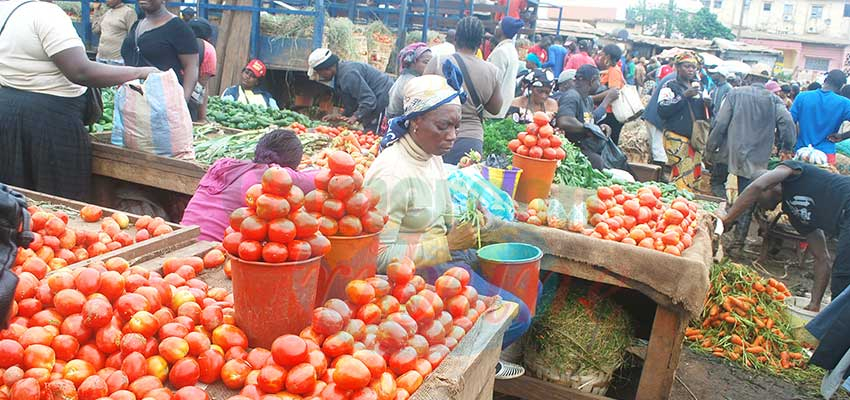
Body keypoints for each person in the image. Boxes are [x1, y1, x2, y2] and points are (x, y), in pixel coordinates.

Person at [364, 66, 531, 378]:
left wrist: (467, 217)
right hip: (412, 279)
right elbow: (377, 257)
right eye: (444, 126)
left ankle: (473, 359)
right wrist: (447, 244)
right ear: (415, 122)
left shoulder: (431, 156)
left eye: (456, 125)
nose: (453, 136)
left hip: (444, 258)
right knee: (517, 316)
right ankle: (454, 368)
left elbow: (438, 212)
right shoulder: (391, 174)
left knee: (522, 288)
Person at [0, 0, 157, 201]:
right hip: (50, 125)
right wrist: (141, 71)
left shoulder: (5, 10)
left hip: (8, 116)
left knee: (15, 202)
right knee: (59, 205)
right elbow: (80, 71)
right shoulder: (45, 14)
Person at [719, 161, 850, 311]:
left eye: (756, 199)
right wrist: (814, 304)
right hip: (844, 222)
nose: (759, 205)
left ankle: (838, 328)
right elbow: (822, 258)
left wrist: (727, 219)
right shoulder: (793, 212)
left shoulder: (791, 170)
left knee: (843, 276)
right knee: (842, 276)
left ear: (767, 187)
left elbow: (756, 187)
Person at [181, 129, 317, 242]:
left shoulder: (222, 164)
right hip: (212, 251)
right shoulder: (273, 176)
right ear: (292, 165)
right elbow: (318, 178)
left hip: (180, 238)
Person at [707, 82, 796, 248]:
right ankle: (738, 243)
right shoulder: (774, 100)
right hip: (756, 155)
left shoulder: (735, 94)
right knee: (748, 196)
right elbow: (787, 122)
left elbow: (720, 123)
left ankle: (726, 210)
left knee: (716, 182)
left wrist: (711, 147)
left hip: (729, 150)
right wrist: (787, 147)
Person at [424, 16, 502, 165]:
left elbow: (420, 97)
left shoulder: (439, 62)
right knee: (463, 186)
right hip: (471, 139)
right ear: (480, 43)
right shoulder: (492, 71)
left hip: (437, 134)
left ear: (455, 39)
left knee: (433, 184)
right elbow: (495, 109)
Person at [121, 0, 199, 102]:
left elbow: (191, 66)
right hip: (134, 100)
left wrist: (182, 101)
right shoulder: (137, 25)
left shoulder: (178, 27)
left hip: (165, 102)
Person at [657, 52, 710, 190]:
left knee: (694, 174)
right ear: (677, 68)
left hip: (695, 139)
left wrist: (709, 104)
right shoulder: (670, 86)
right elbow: (663, 109)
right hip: (676, 137)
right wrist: (684, 96)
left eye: (694, 67)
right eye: (687, 66)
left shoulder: (700, 87)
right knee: (682, 172)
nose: (691, 70)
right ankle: (678, 204)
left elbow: (708, 114)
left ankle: (686, 204)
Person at [308, 48, 394, 133]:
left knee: (375, 133)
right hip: (376, 97)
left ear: (327, 68)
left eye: (320, 73)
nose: (321, 76)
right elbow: (352, 102)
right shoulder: (340, 74)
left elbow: (369, 100)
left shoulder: (348, 75)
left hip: (383, 97)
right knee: (368, 130)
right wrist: (341, 116)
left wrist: (355, 116)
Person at [556, 65, 619, 170]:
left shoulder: (587, 100)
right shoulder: (572, 96)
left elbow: (589, 119)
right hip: (571, 148)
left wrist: (600, 127)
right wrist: (588, 129)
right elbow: (564, 121)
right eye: (598, 81)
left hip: (585, 146)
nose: (599, 85)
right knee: (597, 161)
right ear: (592, 81)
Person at [790, 70, 850, 164]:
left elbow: (789, 122)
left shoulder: (802, 97)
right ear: (842, 86)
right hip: (826, 155)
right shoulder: (844, 103)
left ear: (825, 80)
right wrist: (842, 136)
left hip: (801, 152)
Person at [486, 17, 523, 119]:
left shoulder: (501, 52)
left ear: (502, 30)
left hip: (493, 109)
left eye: (498, 25)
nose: (496, 27)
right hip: (502, 107)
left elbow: (493, 82)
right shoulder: (511, 50)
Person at [387, 43, 432, 119]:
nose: (429, 66)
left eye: (431, 62)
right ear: (413, 63)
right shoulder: (412, 83)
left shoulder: (405, 78)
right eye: (425, 62)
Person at [593, 44, 626, 144]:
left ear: (607, 57)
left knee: (608, 142)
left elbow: (613, 91)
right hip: (609, 112)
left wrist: (592, 98)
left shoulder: (614, 71)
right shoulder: (612, 70)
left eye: (602, 55)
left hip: (610, 114)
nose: (600, 57)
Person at [92, 0, 137, 65]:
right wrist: (96, 10)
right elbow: (95, 30)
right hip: (101, 58)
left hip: (117, 60)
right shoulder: (108, 13)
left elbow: (133, 36)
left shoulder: (128, 12)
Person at [189, 18, 217, 121]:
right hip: (186, 101)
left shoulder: (175, 42)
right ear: (209, 37)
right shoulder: (208, 49)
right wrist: (202, 118)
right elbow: (201, 87)